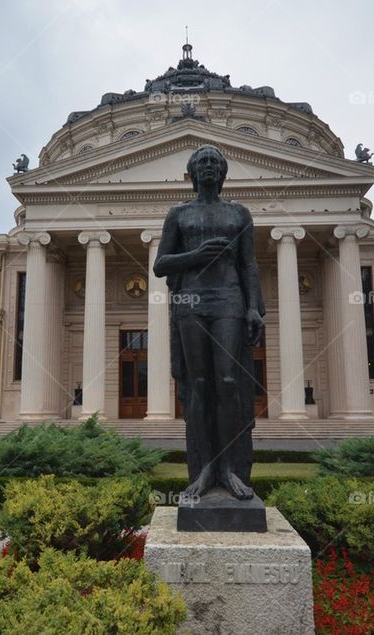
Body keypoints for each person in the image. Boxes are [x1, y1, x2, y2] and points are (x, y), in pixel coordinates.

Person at [154, 144, 264, 501]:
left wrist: (254, 309)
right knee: (199, 383)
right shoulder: (179, 215)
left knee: (229, 381)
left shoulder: (239, 214)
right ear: (192, 172)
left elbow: (249, 264)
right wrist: (195, 256)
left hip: (229, 300)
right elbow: (161, 265)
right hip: (191, 302)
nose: (209, 166)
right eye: (202, 162)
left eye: (215, 162)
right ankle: (203, 469)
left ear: (223, 172)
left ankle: (231, 470)